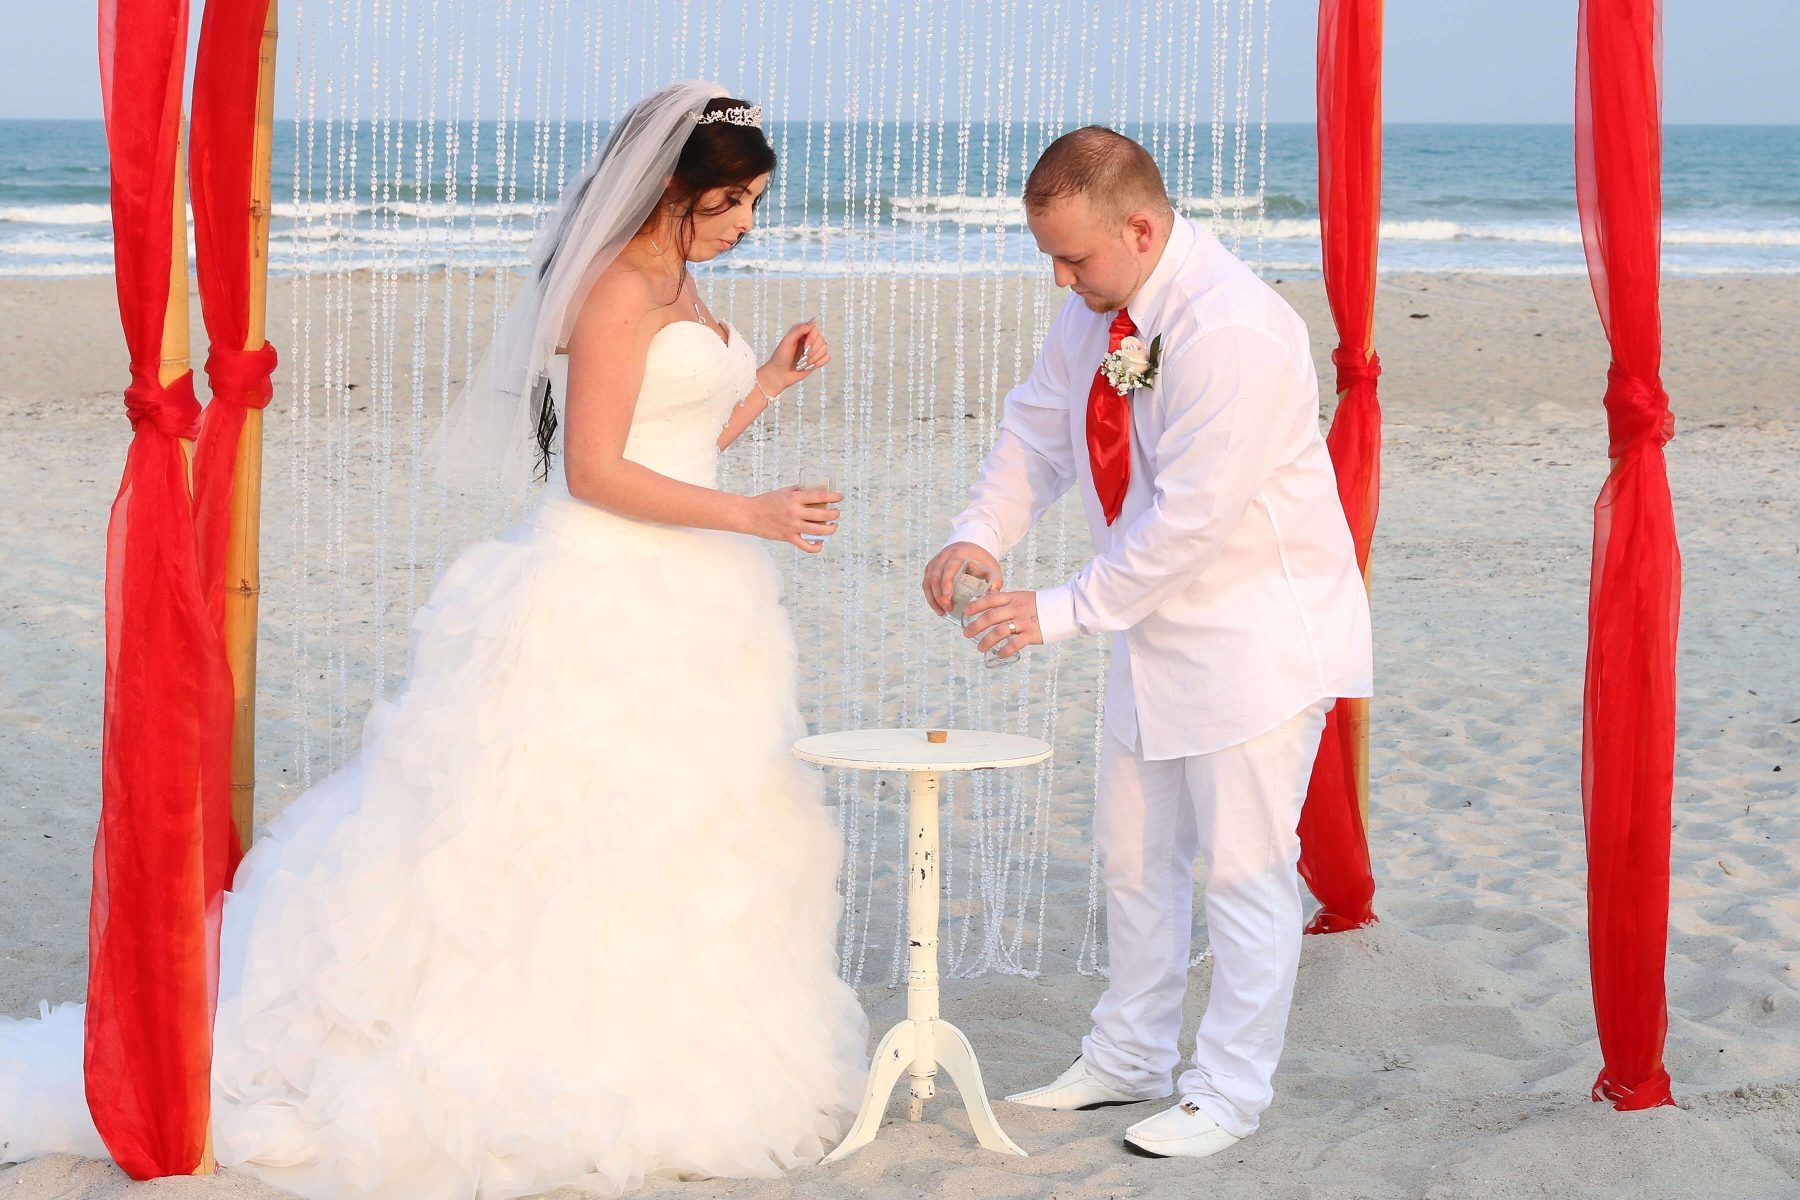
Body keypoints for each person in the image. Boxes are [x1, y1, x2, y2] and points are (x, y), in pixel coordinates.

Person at [1, 80, 868, 1199]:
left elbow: (680, 435)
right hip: (603, 590)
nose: (747, 222)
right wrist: (753, 514)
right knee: (541, 836)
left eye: (750, 203)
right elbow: (596, 472)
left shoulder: (678, 279)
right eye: (734, 201)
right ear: (671, 191)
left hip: (697, 599)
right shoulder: (614, 290)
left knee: (675, 834)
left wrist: (764, 384)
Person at [922, 126, 1372, 1160]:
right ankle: (1127, 1056)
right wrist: (978, 535)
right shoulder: (1096, 307)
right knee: (1132, 856)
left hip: (1256, 634)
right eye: (1050, 256)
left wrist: (1057, 610)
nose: (1060, 276)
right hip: (1150, 629)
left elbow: (1189, 525)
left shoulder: (1236, 331)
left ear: (1141, 225)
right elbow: (1037, 429)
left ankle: (1228, 1091)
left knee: (1245, 872)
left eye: (1074, 256)